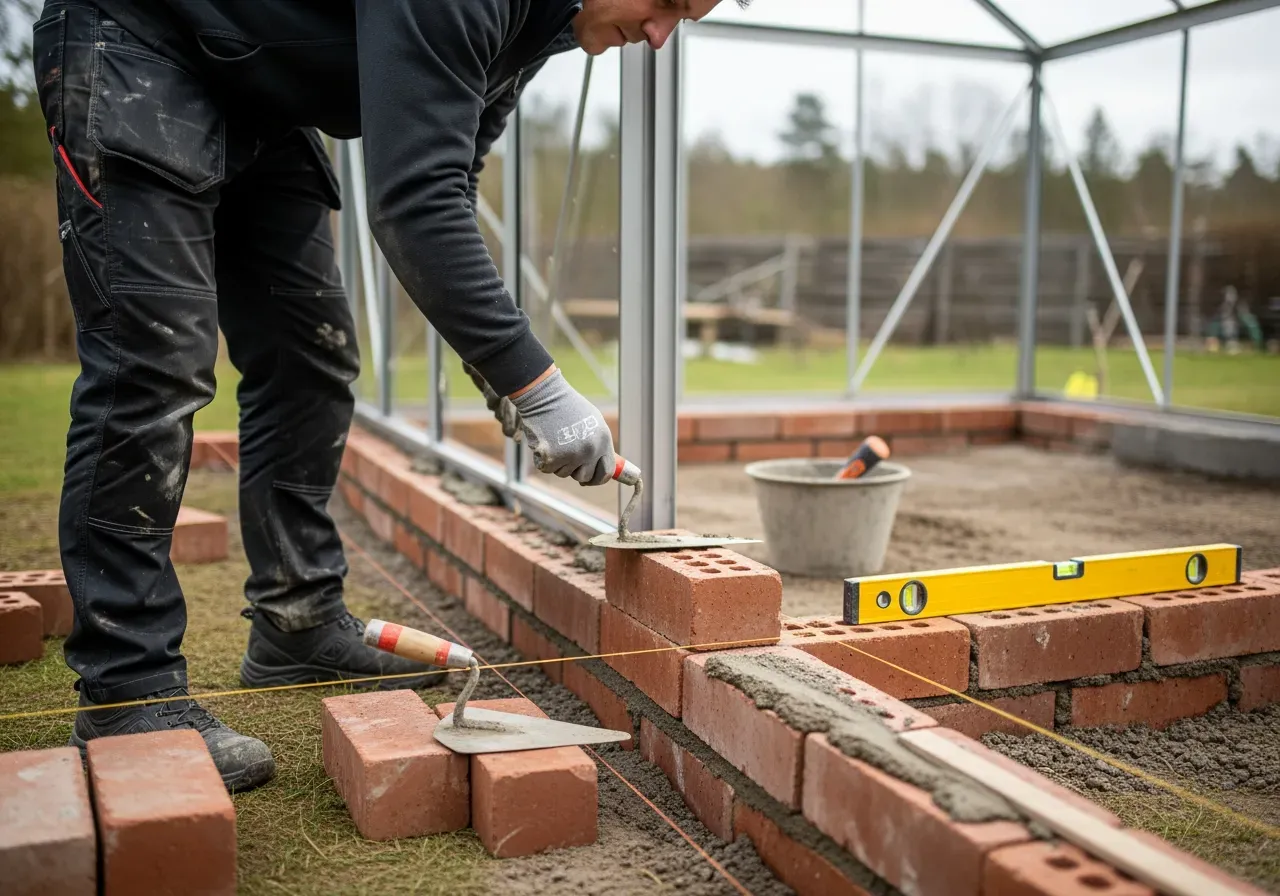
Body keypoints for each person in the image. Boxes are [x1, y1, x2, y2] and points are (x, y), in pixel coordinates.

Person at [29, 0, 738, 793]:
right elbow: (412, 201)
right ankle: (126, 694)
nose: (659, 35)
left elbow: (453, 182)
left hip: (258, 89)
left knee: (312, 359)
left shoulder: (532, 28)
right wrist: (536, 382)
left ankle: (296, 623)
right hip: (138, 40)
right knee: (154, 366)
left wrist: (497, 371)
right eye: (669, 2)